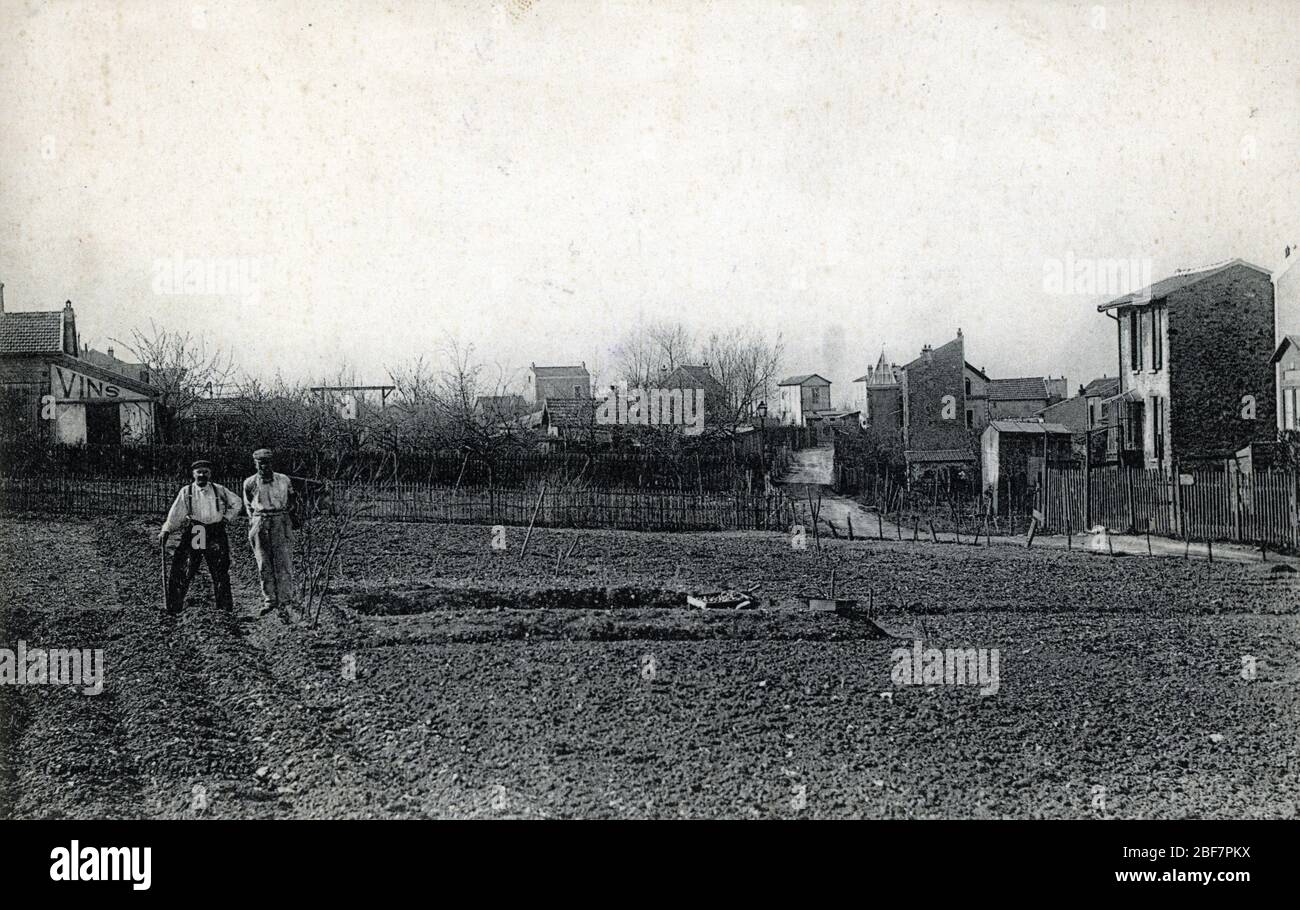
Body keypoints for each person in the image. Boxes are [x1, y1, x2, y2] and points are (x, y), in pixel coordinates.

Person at [159, 459, 243, 615]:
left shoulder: (219, 490)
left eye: (205, 472)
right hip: (197, 530)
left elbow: (237, 503)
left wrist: (227, 518)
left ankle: (224, 611)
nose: (202, 475)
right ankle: (174, 608)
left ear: (210, 474)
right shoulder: (187, 491)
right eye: (199, 472)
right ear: (193, 474)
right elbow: (176, 514)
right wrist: (166, 530)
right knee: (185, 567)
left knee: (219, 570)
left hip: (215, 532)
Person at [243, 448, 299, 616]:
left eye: (267, 463)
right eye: (260, 464)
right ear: (255, 464)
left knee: (283, 561)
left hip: (280, 520)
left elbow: (292, 500)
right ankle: (270, 600)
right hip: (260, 520)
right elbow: (248, 505)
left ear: (272, 463)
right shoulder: (250, 482)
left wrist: (288, 517)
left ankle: (285, 599)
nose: (264, 467)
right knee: (264, 563)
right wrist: (255, 521)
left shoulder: (283, 480)